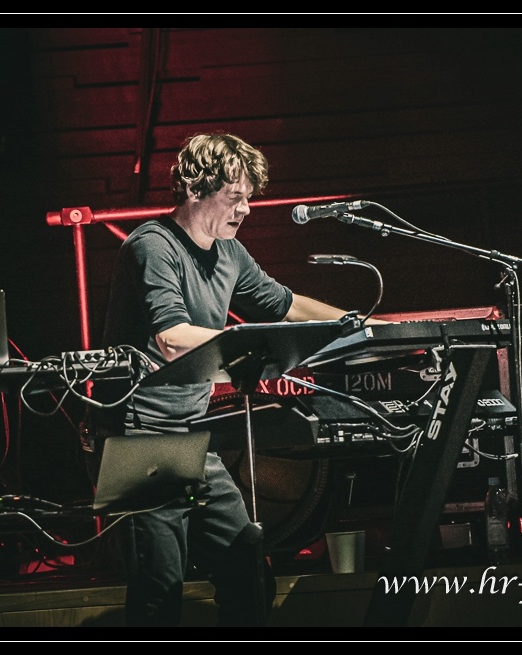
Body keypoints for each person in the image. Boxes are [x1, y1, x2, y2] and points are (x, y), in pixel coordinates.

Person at [87, 132, 370, 627]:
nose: (245, 208)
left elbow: (286, 304)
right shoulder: (152, 246)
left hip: (192, 438)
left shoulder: (229, 253)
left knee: (249, 575)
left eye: (249, 197)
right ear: (195, 189)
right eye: (235, 196)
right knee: (159, 593)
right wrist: (246, 344)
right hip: (138, 439)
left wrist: (364, 326)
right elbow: (172, 337)